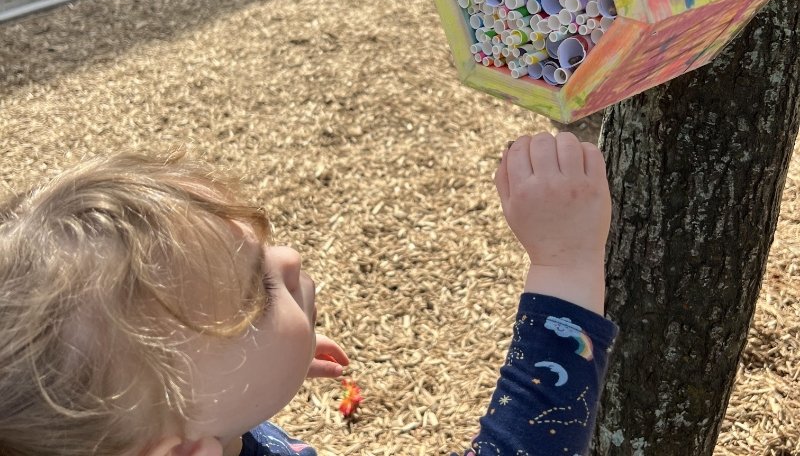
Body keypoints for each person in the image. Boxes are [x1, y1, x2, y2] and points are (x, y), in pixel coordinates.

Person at [0, 132, 617, 456]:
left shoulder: (184, 427)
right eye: (257, 295)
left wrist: (253, 381)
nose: (288, 257)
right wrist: (566, 262)